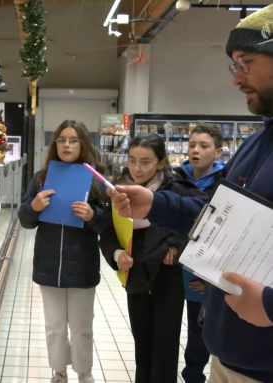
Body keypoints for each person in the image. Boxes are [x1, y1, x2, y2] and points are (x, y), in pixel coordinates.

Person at [107, 6, 273, 382]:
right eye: (235, 66)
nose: (237, 80)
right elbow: (216, 212)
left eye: (246, 62)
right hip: (229, 355)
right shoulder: (257, 142)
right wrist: (156, 203)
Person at [99, 134, 204, 383]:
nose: (137, 168)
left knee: (165, 348)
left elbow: (198, 223)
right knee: (142, 346)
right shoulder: (117, 190)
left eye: (146, 162)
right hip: (136, 276)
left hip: (168, 277)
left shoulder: (177, 189)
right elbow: (107, 231)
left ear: (161, 163)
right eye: (133, 160)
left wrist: (176, 247)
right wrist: (116, 254)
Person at [18, 120, 105, 383]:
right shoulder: (42, 177)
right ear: (55, 144)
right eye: (61, 140)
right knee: (54, 328)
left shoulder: (95, 177)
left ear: (83, 144)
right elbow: (25, 220)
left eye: (73, 140)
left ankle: (84, 372)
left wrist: (92, 215)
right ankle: (58, 372)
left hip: (82, 264)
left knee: (81, 328)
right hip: (48, 264)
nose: (67, 145)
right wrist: (33, 205)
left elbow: (110, 224)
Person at [175, 124, 225, 383]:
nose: (195, 150)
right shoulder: (175, 178)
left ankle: (195, 376)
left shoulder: (226, 183)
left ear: (218, 152)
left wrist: (213, 278)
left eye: (203, 146)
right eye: (192, 145)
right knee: (178, 328)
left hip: (206, 270)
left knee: (201, 329)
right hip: (174, 264)